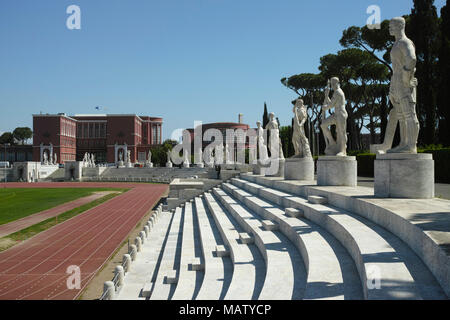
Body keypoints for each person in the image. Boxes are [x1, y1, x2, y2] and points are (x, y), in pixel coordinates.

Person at [371, 17, 419, 154]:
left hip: (404, 83)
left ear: (400, 26)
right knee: (401, 116)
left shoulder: (405, 42)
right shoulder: (396, 44)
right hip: (396, 82)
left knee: (409, 114)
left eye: (392, 25)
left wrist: (406, 77)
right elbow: (396, 67)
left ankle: (411, 145)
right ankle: (403, 143)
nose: (389, 28)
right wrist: (392, 87)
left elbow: (412, 59)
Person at [320, 77, 348, 156]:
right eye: (331, 84)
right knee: (323, 125)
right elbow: (332, 103)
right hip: (336, 114)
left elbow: (331, 105)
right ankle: (332, 143)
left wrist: (324, 107)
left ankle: (343, 150)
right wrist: (326, 96)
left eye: (333, 84)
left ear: (337, 83)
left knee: (341, 132)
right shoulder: (335, 92)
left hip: (341, 114)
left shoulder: (338, 92)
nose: (331, 86)